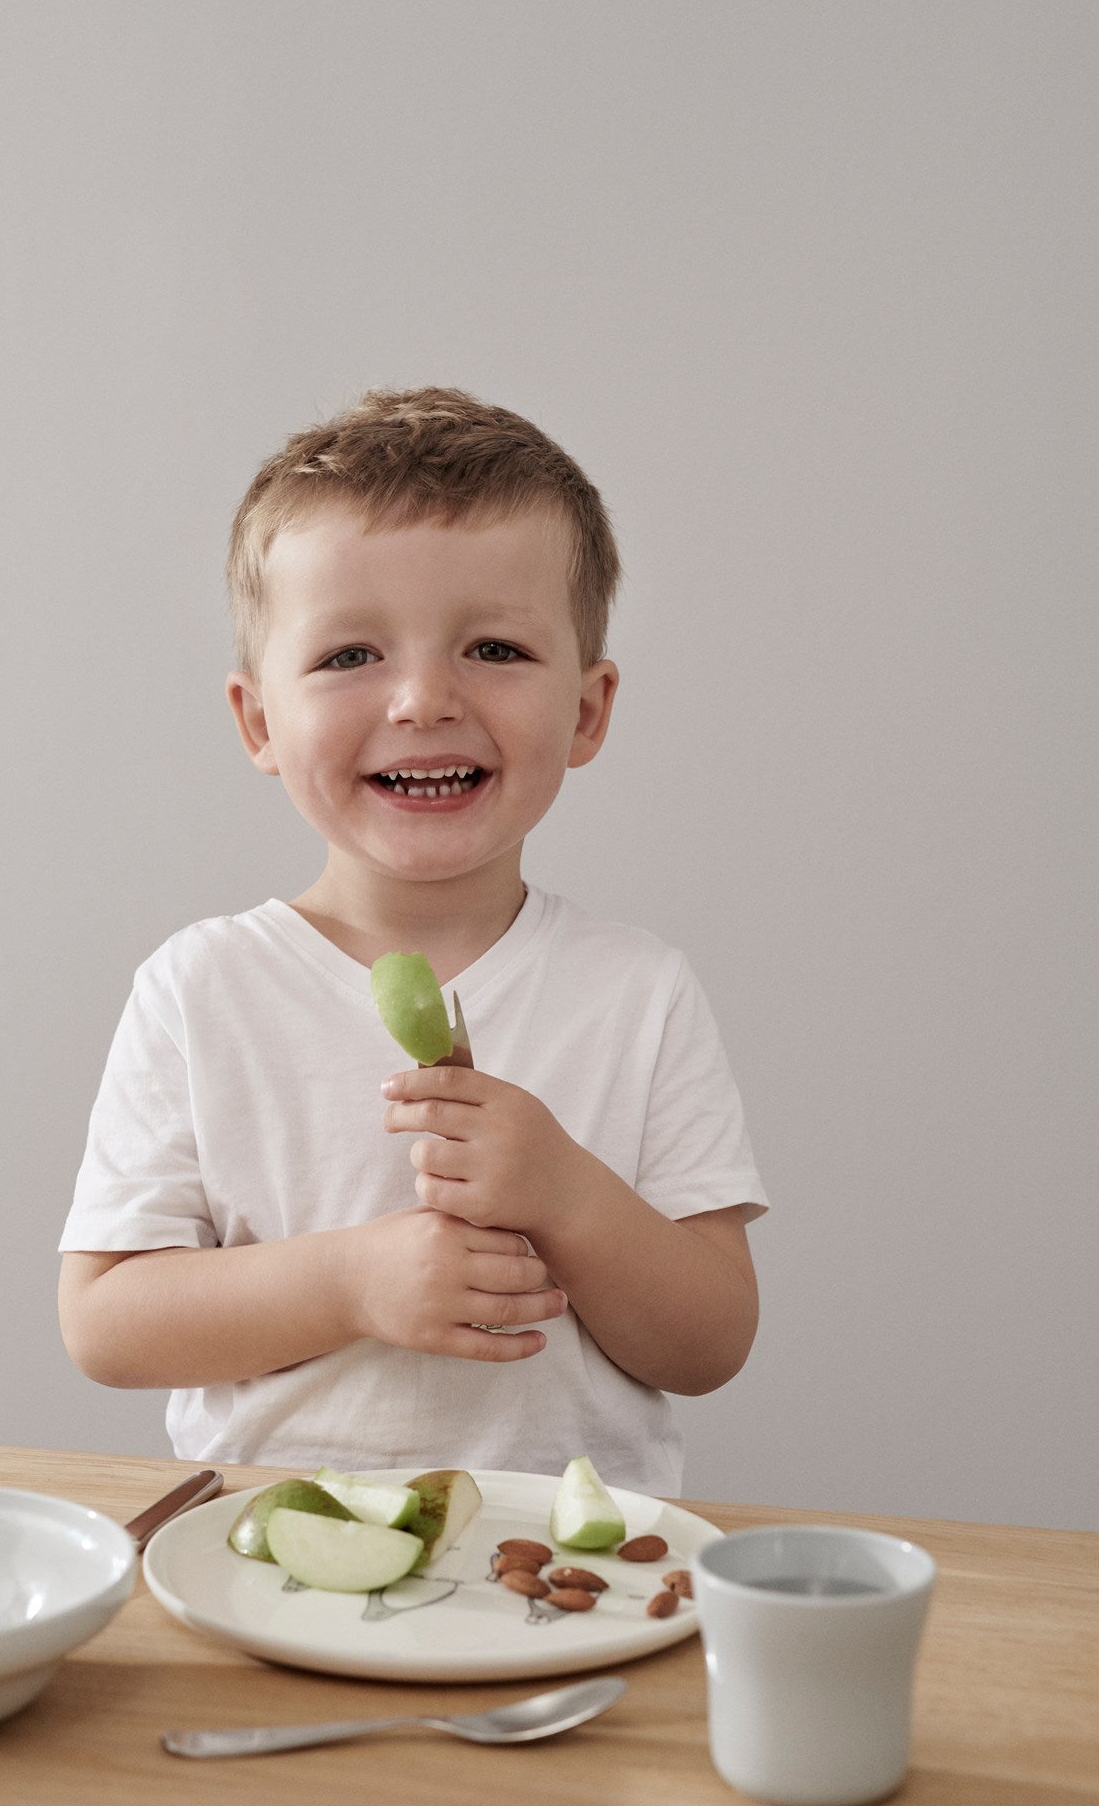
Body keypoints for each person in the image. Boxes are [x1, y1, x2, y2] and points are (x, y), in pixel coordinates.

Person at [58, 385, 766, 1491]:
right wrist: (348, 1282)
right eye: (349, 656)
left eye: (493, 646)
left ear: (587, 709)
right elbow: (106, 1322)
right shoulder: (203, 987)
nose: (423, 698)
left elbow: (712, 1340)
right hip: (274, 1563)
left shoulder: (638, 989)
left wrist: (567, 1193)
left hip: (567, 1577)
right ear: (258, 719)